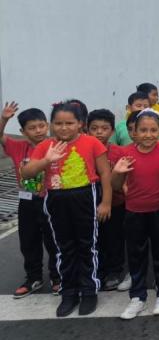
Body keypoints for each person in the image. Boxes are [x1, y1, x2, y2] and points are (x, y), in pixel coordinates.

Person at [22, 101, 112, 317]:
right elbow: (27, 173)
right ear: (52, 125)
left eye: (69, 123)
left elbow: (105, 174)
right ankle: (69, 292)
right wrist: (46, 160)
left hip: (84, 197)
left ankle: (89, 291)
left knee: (87, 245)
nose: (63, 128)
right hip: (56, 199)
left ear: (80, 124)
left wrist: (106, 202)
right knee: (64, 247)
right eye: (58, 123)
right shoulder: (46, 146)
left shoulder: (91, 143)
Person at [112, 110, 159, 320]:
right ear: (134, 132)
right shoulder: (126, 153)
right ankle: (137, 296)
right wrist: (117, 173)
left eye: (153, 130)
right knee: (136, 256)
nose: (148, 135)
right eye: (143, 130)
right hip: (134, 212)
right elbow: (116, 186)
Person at [0, 103, 59, 298]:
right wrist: (4, 119)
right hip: (27, 202)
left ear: (48, 125)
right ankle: (33, 277)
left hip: (51, 200)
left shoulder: (56, 145)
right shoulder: (18, 147)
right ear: (22, 131)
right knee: (28, 242)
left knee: (54, 241)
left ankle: (57, 277)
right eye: (32, 128)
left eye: (41, 126)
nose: (38, 131)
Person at [87, 109, 127, 291]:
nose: (99, 132)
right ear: (87, 130)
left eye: (104, 128)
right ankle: (98, 269)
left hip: (116, 203)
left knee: (114, 238)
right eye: (94, 128)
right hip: (88, 203)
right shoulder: (82, 150)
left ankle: (114, 270)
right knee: (94, 239)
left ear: (112, 131)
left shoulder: (119, 152)